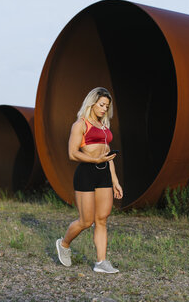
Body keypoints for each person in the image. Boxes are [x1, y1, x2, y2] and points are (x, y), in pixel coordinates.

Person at [55, 87, 123, 274]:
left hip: (104, 174)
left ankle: (101, 262)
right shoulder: (80, 125)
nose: (104, 109)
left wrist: (115, 181)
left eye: (107, 106)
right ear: (92, 103)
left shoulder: (104, 127)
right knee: (86, 221)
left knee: (102, 219)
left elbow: (108, 156)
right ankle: (64, 244)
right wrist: (94, 160)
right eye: (101, 105)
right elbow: (72, 153)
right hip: (86, 173)